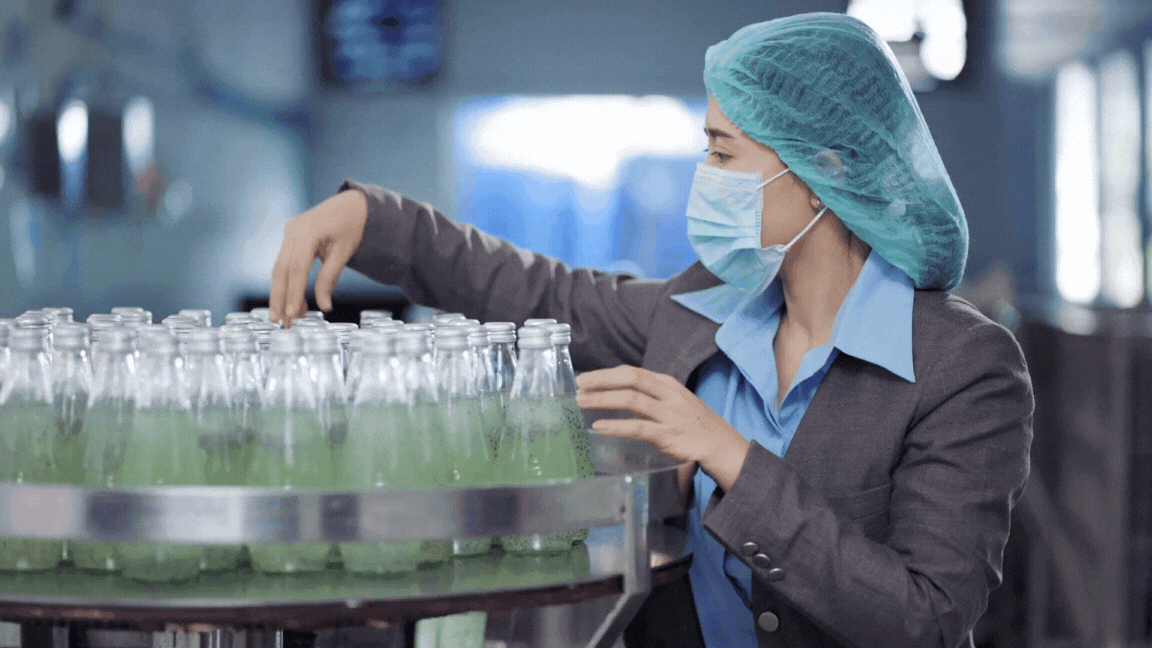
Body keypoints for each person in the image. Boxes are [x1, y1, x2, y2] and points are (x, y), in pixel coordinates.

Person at [268, 12, 1032, 648]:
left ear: (823, 170)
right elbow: (539, 291)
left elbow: (926, 619)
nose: (706, 173)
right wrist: (376, 221)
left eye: (723, 151)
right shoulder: (702, 308)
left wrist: (733, 458)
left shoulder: (960, 366)